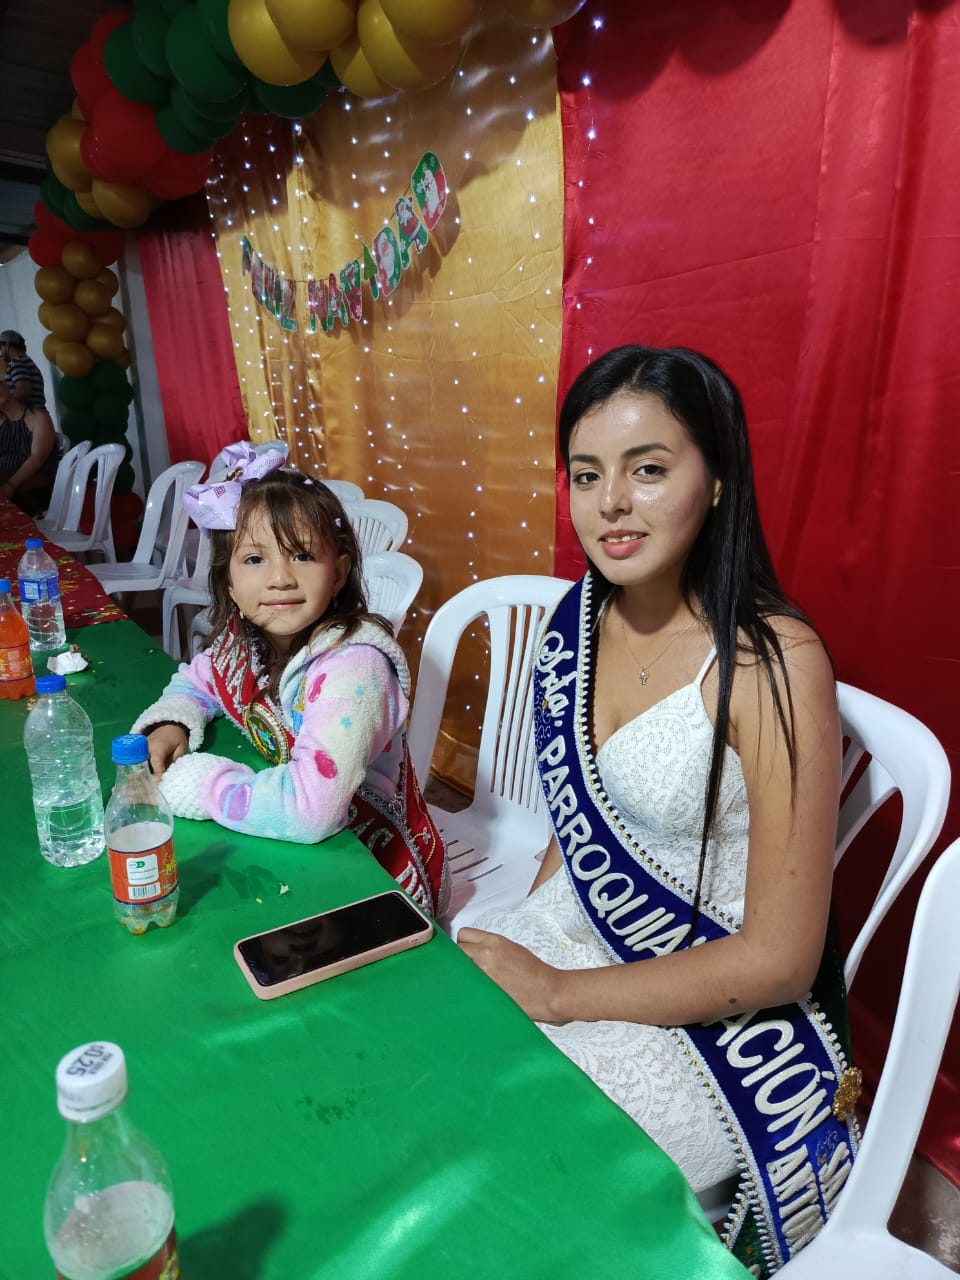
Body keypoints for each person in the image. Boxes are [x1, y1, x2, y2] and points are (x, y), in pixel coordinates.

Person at [458, 346, 859, 1276]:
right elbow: (582, 823)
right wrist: (531, 933)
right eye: (586, 475)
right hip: (580, 930)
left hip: (722, 1022)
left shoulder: (772, 662)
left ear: (716, 480)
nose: (610, 504)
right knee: (435, 1041)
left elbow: (779, 960)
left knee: (512, 1152)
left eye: (647, 470)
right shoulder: (578, 620)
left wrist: (558, 995)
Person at [130, 442, 447, 918]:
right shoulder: (249, 640)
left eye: (301, 555)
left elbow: (312, 808)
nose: (280, 579)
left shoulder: (354, 667)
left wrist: (202, 784)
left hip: (377, 873)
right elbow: (200, 680)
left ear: (338, 573)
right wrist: (172, 721)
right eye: (254, 560)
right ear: (229, 582)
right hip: (294, 853)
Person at [0, 376, 57, 515]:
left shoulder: (38, 418)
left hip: (29, 486)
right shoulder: (1, 422)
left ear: (6, 386)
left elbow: (37, 457)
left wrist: (10, 485)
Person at [0, 331, 47, 410]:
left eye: (0, 347)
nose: (1, 352)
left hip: (30, 415)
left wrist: (5, 405)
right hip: (34, 413)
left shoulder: (18, 363)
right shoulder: (25, 362)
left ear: (7, 345)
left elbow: (23, 391)